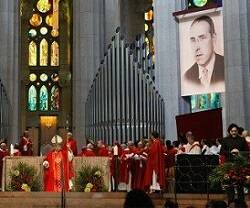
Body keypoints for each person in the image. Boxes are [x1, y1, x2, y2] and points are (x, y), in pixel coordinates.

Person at [182, 15, 224, 95]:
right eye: (193, 40)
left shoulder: (226, 67)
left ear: (213, 38)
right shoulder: (187, 76)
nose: (197, 47)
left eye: (202, 38)